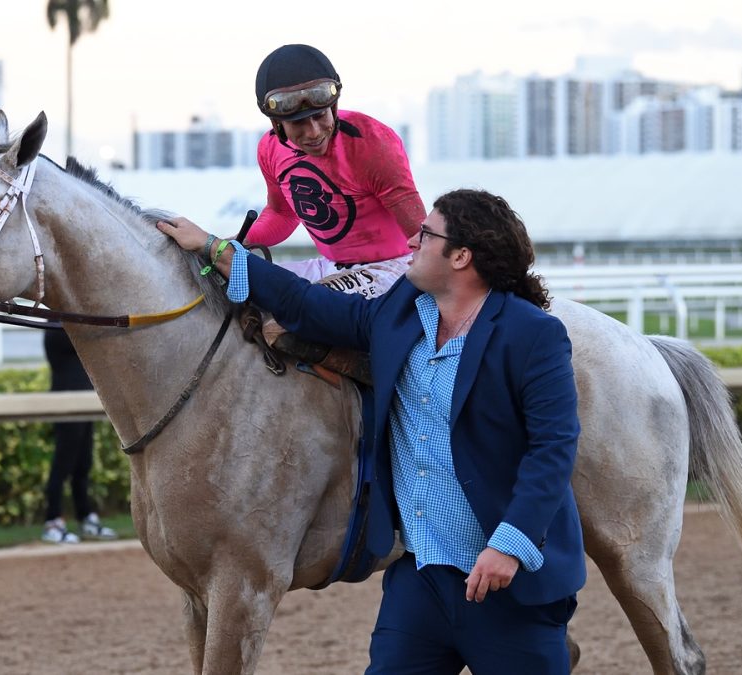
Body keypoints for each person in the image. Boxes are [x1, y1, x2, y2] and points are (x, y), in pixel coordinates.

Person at [157, 188, 585, 674]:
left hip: (507, 586)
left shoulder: (533, 334)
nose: (411, 240)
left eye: (426, 234)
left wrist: (509, 544)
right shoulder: (401, 309)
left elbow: (553, 449)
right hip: (421, 583)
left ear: (462, 256)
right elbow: (307, 305)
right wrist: (215, 248)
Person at [246, 44, 428, 381]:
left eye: (320, 116)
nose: (313, 132)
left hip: (393, 268)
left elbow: (423, 238)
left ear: (334, 106)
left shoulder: (374, 143)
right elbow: (282, 214)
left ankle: (375, 376)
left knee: (285, 319)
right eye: (298, 123)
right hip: (330, 266)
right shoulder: (269, 149)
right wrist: (236, 244)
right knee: (237, 291)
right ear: (276, 123)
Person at [41, 328, 117, 544]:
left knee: (83, 464)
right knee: (62, 466)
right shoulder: (57, 328)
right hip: (66, 404)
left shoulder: (65, 324)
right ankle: (52, 521)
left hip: (83, 403)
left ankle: (85, 517)